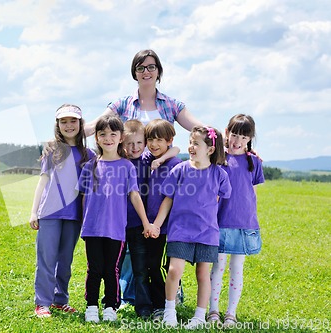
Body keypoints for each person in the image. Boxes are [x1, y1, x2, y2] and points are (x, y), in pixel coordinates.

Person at [76, 115, 157, 323]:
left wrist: (146, 222)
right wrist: (82, 225)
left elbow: (135, 196)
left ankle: (111, 306)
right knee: (94, 269)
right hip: (92, 229)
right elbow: (84, 199)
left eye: (113, 134)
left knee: (112, 269)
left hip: (115, 229)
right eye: (103, 134)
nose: (108, 138)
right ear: (96, 137)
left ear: (121, 137)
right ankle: (91, 305)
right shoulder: (89, 166)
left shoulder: (126, 167)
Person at [153, 126, 232, 329]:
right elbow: (168, 199)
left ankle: (199, 317)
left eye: (196, 143)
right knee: (173, 271)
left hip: (207, 233)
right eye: (190, 142)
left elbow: (217, 199)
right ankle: (169, 312)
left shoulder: (219, 174)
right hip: (180, 230)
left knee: (202, 275)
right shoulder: (179, 169)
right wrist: (157, 224)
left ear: (210, 150)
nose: (191, 147)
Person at [84, 49, 202, 169]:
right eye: (140, 68)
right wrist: (69, 132)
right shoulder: (122, 104)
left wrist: (219, 138)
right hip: (131, 171)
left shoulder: (172, 105)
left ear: (158, 71)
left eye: (151, 67)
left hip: (162, 171)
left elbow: (201, 129)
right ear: (134, 73)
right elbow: (95, 126)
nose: (146, 72)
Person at [29, 104, 95, 318]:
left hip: (74, 215)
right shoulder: (52, 150)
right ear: (57, 125)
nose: (69, 125)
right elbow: (42, 182)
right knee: (47, 259)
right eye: (63, 121)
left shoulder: (89, 154)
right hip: (49, 213)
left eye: (73, 121)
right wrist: (33, 212)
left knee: (65, 261)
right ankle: (42, 303)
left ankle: (60, 300)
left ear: (80, 124)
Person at [208, 114, 265, 328]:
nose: (237, 140)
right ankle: (213, 311)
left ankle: (231, 313)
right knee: (217, 268)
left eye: (243, 136)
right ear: (227, 132)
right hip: (220, 221)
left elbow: (253, 194)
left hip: (244, 222)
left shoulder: (254, 161)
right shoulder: (219, 158)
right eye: (234, 134)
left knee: (237, 268)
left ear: (250, 138)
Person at [142, 119, 183, 321]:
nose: (154, 144)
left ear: (168, 140)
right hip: (150, 223)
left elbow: (177, 149)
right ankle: (159, 302)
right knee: (152, 263)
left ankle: (166, 301)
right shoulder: (147, 158)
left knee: (167, 265)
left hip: (169, 225)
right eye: (150, 139)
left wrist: (157, 224)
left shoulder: (175, 164)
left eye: (159, 139)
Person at [121, 119, 149, 317]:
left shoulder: (148, 161)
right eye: (130, 143)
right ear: (122, 143)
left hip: (140, 223)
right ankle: (116, 301)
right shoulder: (119, 162)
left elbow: (174, 149)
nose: (135, 148)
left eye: (139, 143)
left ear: (145, 142)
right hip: (119, 224)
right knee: (117, 266)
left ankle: (144, 306)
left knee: (140, 268)